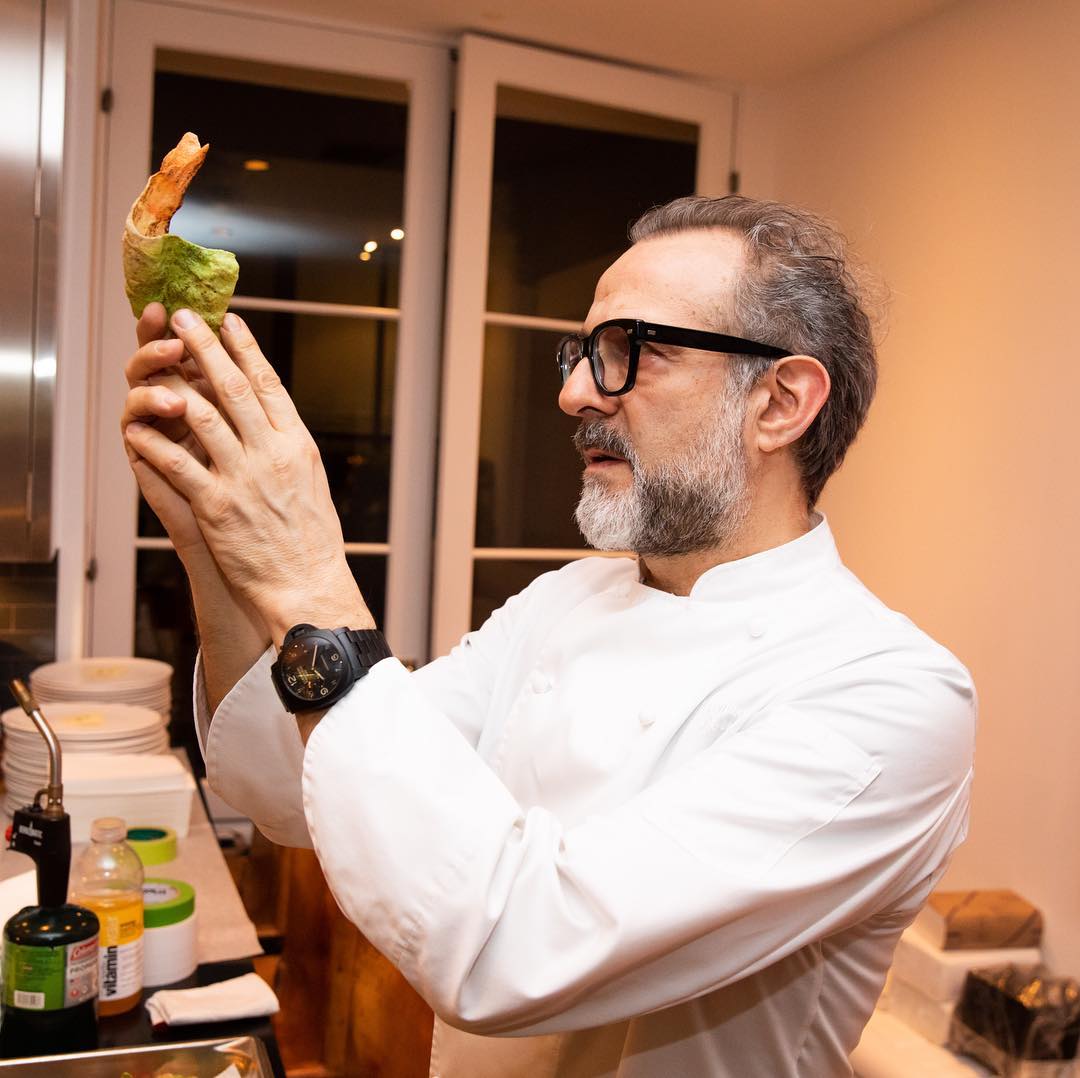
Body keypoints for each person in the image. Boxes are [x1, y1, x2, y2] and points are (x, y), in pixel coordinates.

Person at [120, 195, 976, 1077]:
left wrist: (310, 581)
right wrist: (209, 541)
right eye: (583, 353)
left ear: (779, 403)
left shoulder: (889, 694)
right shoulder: (567, 598)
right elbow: (291, 786)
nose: (574, 394)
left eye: (630, 352)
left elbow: (514, 952)